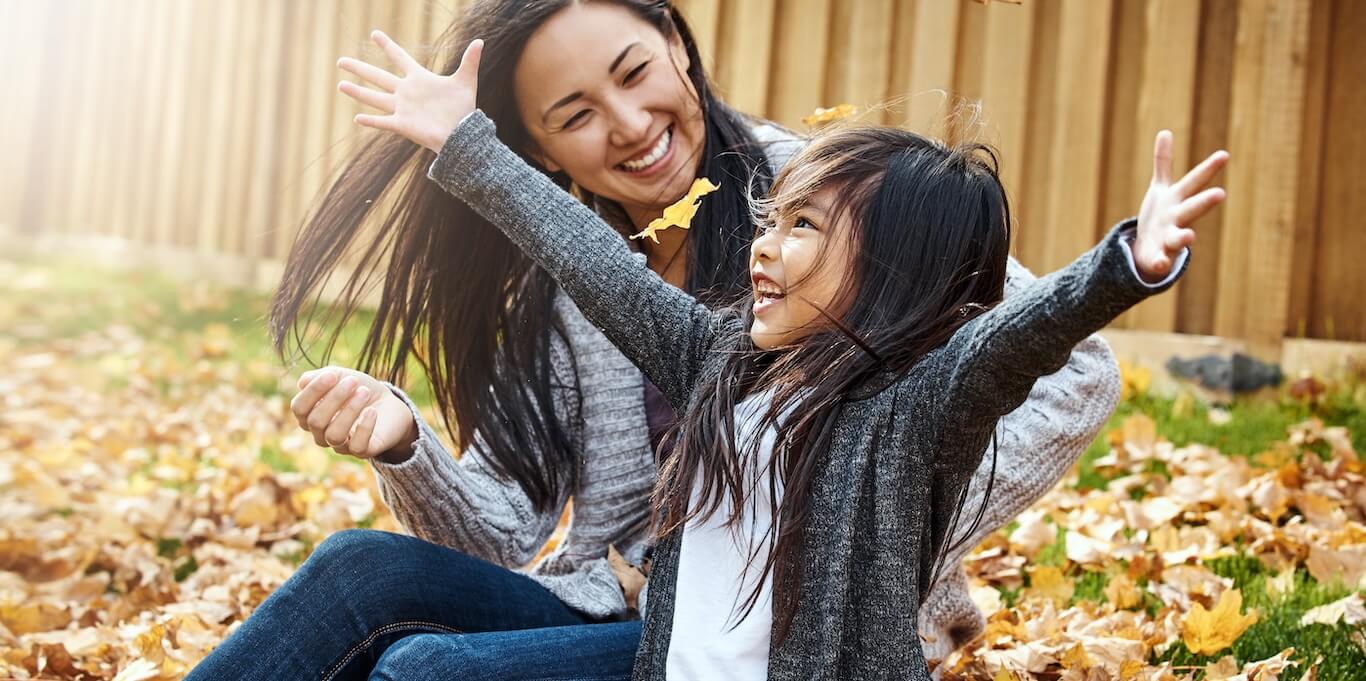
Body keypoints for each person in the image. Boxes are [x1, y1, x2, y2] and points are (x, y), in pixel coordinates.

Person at [188, 1, 1118, 679]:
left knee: (428, 670)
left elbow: (1074, 365)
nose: (629, 126)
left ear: (677, 44)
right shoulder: (560, 284)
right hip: (625, 602)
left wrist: (862, 512)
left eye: (634, 73)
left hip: (787, 636)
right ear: (542, 153)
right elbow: (503, 528)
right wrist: (403, 441)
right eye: (577, 114)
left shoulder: (827, 200)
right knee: (359, 573)